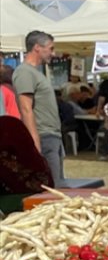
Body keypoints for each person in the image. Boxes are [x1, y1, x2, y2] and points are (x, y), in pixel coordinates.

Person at [14, 30, 64, 184]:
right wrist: (35, 142)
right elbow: (26, 108)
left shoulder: (36, 73)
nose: (53, 53)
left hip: (51, 136)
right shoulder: (24, 73)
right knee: (51, 190)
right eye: (50, 48)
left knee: (57, 186)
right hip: (43, 137)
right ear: (37, 48)